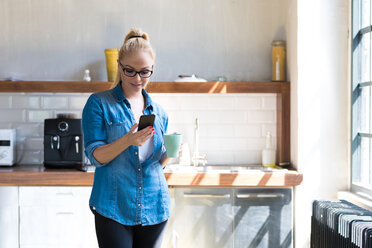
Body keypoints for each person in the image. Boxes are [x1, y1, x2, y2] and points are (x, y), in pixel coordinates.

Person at [82, 28, 171, 248]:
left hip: (155, 207)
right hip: (113, 207)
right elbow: (95, 156)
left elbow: (157, 163)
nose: (138, 78)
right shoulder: (99, 104)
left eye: (145, 72)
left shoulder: (159, 113)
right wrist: (127, 141)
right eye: (130, 71)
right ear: (119, 66)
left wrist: (171, 153)